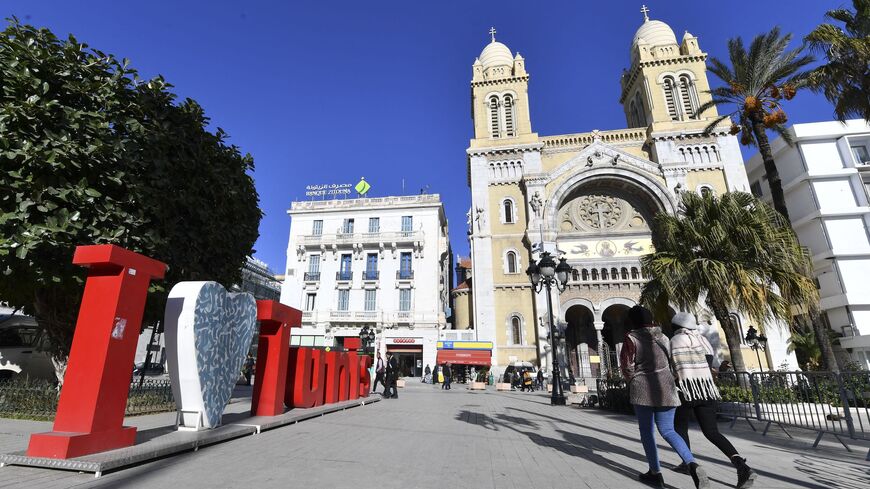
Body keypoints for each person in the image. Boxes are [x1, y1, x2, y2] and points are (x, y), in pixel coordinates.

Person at [620, 305, 709, 489]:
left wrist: (632, 380)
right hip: (666, 386)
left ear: (633, 321)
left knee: (647, 432)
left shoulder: (631, 338)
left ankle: (655, 473)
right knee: (669, 430)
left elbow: (627, 366)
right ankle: (692, 464)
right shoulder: (664, 337)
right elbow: (672, 361)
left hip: (643, 388)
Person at [670, 312, 756, 489]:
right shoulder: (703, 341)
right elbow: (711, 366)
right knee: (712, 432)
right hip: (707, 389)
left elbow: (674, 367)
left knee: (679, 427)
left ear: (676, 327)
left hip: (686, 390)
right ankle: (742, 466)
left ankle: (688, 463)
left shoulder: (676, 341)